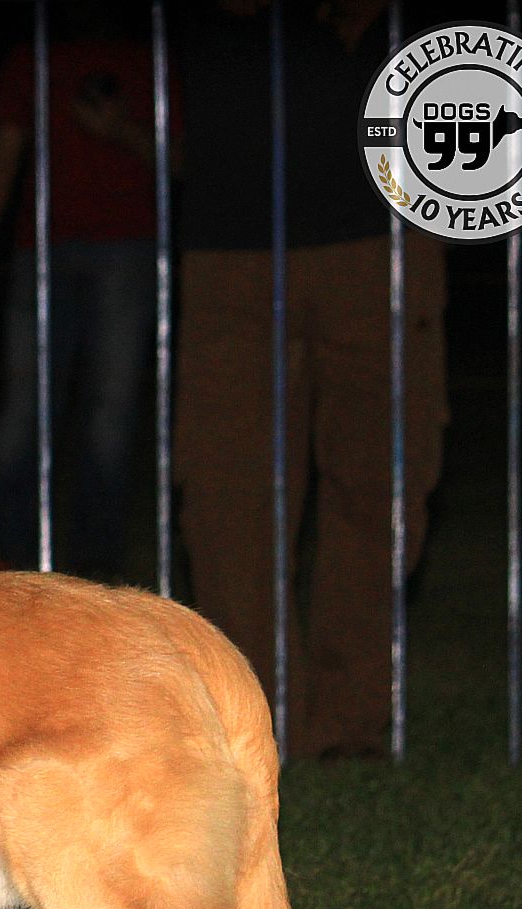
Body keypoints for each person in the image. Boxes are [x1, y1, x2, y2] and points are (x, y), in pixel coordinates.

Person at [174, 0, 444, 761]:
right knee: (229, 500)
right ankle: (258, 718)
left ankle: (350, 720)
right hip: (231, 241)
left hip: (385, 229)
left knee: (381, 487)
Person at [0, 12, 161, 582]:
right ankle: (6, 556)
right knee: (25, 406)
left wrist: (121, 131)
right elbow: (4, 150)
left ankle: (96, 564)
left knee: (112, 410)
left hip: (128, 251)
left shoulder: (152, 56)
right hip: (42, 252)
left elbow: (185, 157)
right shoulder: (33, 56)